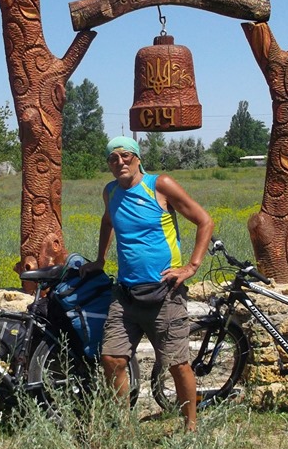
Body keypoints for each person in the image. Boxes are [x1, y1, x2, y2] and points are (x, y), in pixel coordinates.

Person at [81, 136, 213, 431]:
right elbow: (108, 221)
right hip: (126, 294)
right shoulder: (110, 191)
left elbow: (204, 220)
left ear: (138, 158)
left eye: (125, 155)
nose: (120, 162)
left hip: (165, 293)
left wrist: (191, 266)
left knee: (177, 364)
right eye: (113, 158)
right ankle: (123, 428)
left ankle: (191, 427)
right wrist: (100, 260)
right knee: (112, 358)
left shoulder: (159, 185)